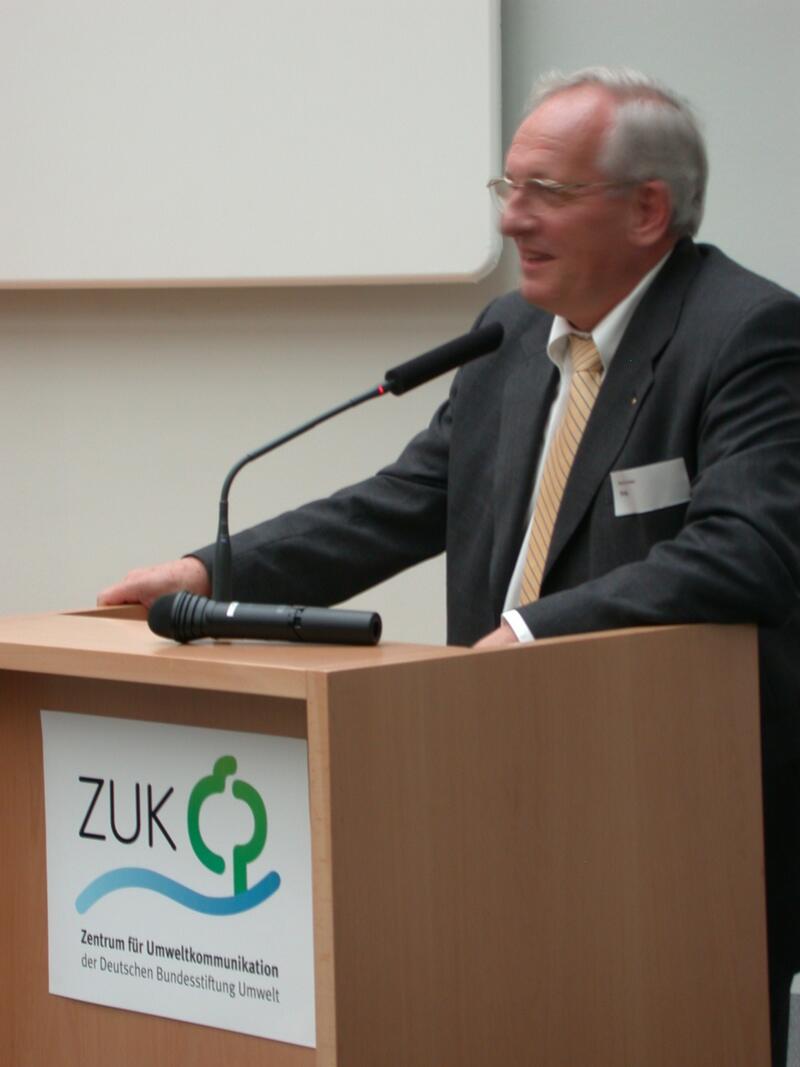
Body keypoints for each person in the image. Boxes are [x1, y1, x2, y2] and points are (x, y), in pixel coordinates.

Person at [99, 67, 800, 1065]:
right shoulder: (509, 334)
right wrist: (209, 573)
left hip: (671, 801)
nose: (512, 218)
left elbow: (746, 548)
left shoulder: (748, 333)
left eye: (546, 191)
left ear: (648, 209)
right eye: (507, 187)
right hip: (494, 765)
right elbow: (401, 502)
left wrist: (533, 631)